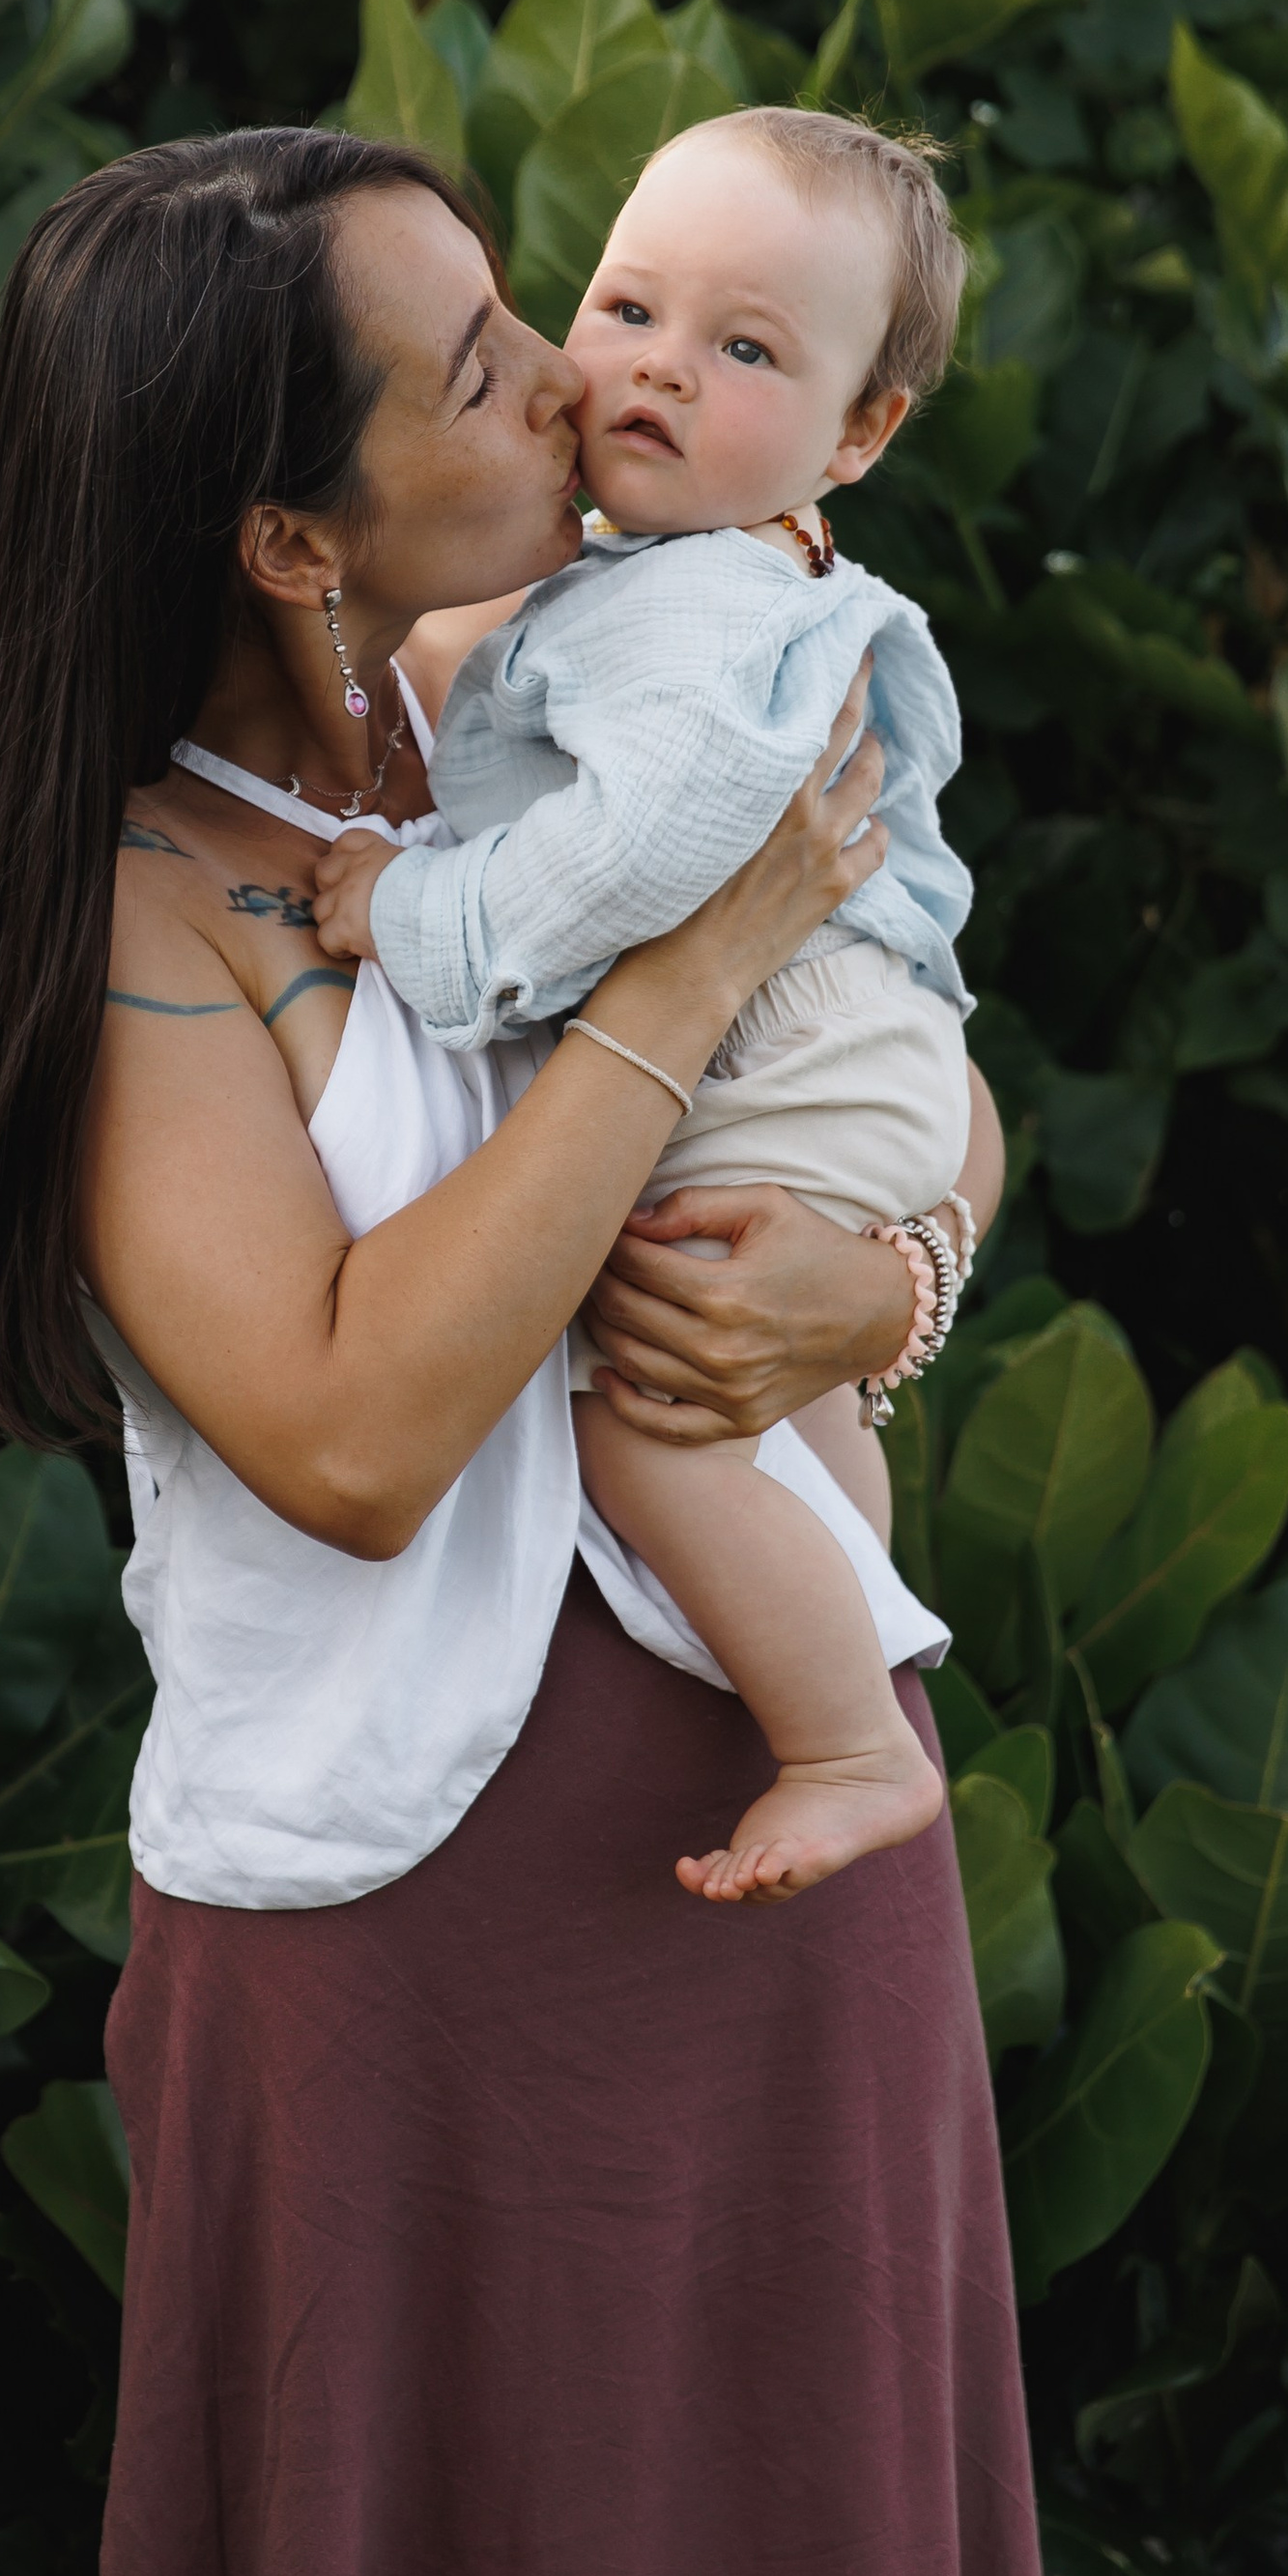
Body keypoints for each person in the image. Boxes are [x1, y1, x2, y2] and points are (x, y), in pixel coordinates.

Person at [0, 128, 1088, 2576]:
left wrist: (890, 1272)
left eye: (540, 307)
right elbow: (364, 1425)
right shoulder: (150, 901)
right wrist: (675, 988)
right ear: (288, 526)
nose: (577, 377)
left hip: (789, 1888)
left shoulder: (570, 674)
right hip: (416, 1945)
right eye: (488, 362)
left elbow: (914, 1052)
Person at [310, 106, 973, 1908]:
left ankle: (847, 1739)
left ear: (856, 435)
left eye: (746, 348)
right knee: (758, 1396)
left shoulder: (686, 604)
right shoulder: (651, 594)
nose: (654, 371)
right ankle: (840, 1651)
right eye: (626, 307)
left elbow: (644, 853)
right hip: (834, 1051)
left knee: (644, 1406)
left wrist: (413, 912)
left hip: (797, 1050)